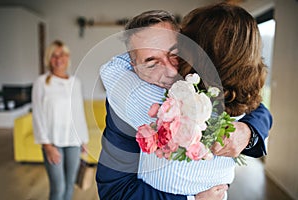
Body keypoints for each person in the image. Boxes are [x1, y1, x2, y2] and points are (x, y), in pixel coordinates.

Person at [97, 7, 272, 200]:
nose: (171, 71)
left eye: (174, 53)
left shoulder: (211, 84)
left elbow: (259, 110)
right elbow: (115, 190)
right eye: (151, 62)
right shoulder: (126, 100)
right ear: (133, 68)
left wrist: (248, 133)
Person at [32, 40, 89, 200]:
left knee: (70, 184)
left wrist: (83, 139)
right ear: (49, 59)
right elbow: (37, 114)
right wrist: (47, 145)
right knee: (59, 188)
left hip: (73, 142)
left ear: (67, 57)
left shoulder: (75, 83)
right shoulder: (41, 83)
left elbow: (78, 113)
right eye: (54, 56)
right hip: (53, 142)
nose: (58, 59)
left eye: (62, 54)